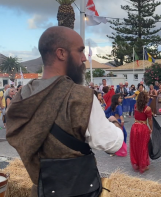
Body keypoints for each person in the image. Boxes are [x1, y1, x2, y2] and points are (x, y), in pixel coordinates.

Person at [6, 26, 124, 197]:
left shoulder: (21, 97)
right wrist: (114, 123)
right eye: (80, 51)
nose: (84, 58)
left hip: (40, 192)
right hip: (79, 192)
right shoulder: (81, 97)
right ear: (61, 53)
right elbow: (112, 144)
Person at [130, 91, 153, 173]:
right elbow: (150, 120)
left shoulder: (135, 106)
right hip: (143, 128)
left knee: (136, 145)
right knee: (143, 146)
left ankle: (137, 162)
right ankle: (143, 164)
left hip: (134, 127)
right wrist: (151, 128)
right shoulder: (148, 109)